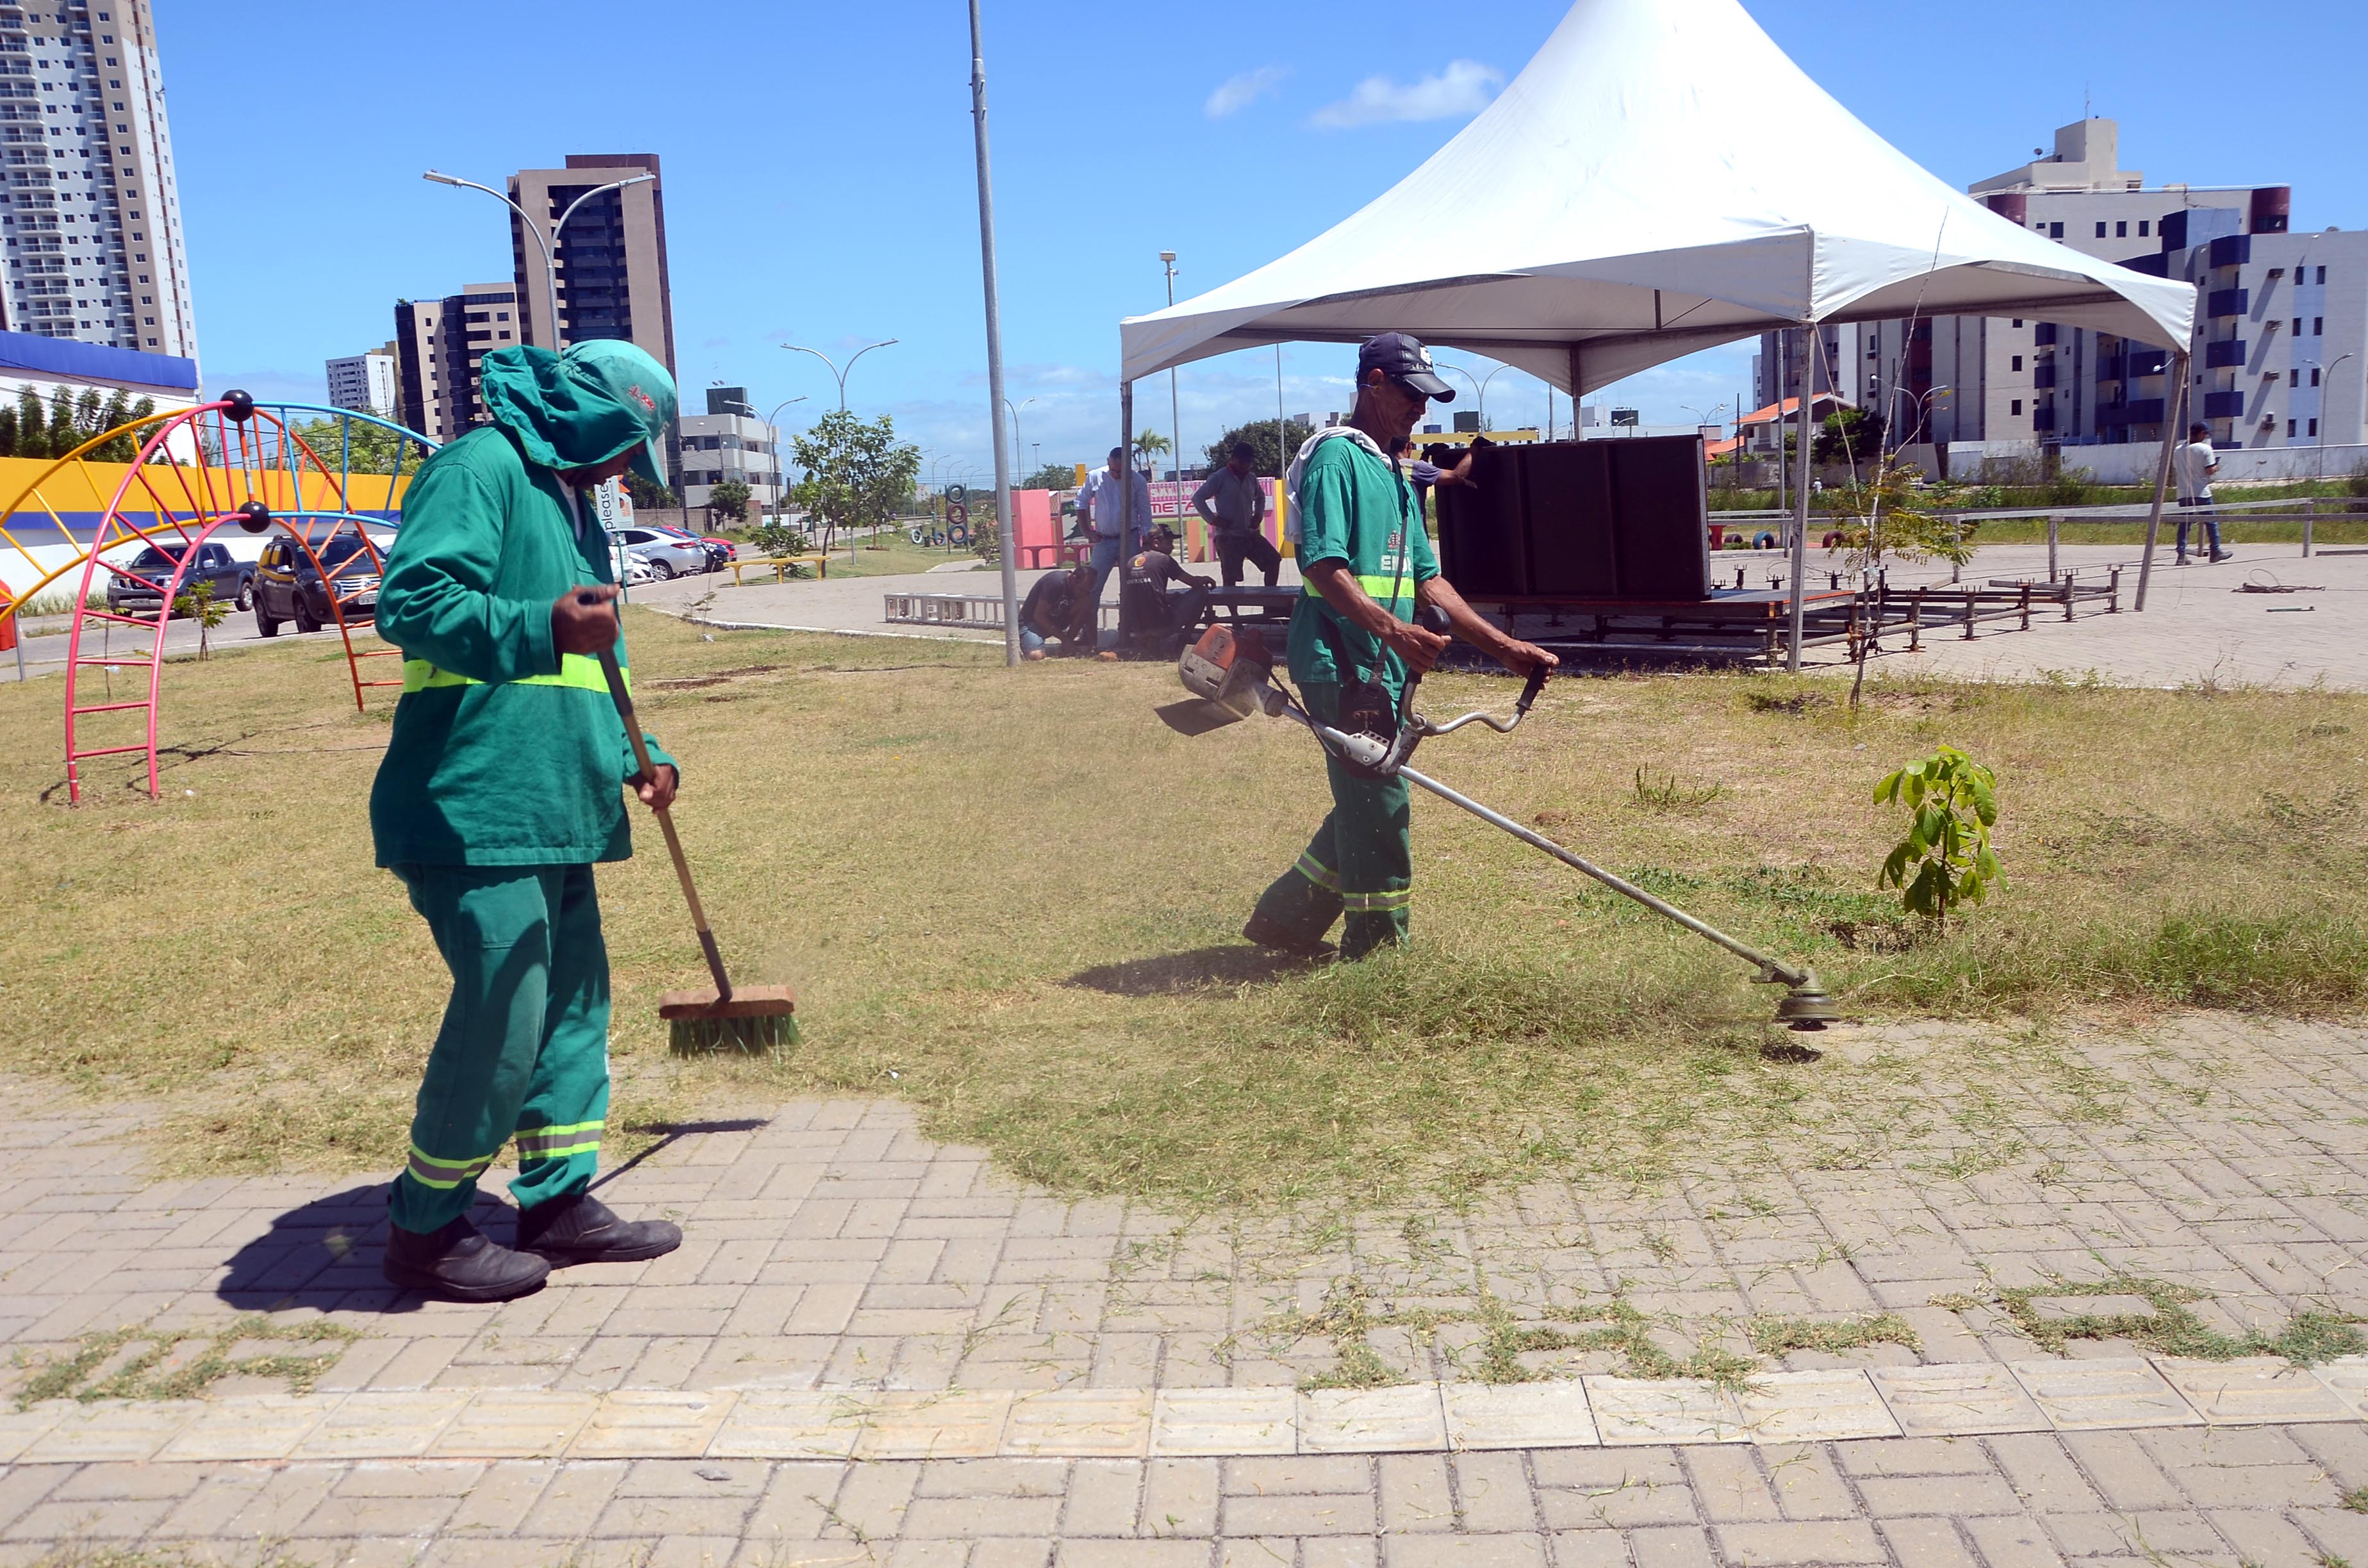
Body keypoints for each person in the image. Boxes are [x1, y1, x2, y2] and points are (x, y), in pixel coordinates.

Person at [368, 339, 687, 1302]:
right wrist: (541, 623)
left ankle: (556, 1203)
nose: (628, 468)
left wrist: (647, 749)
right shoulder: (481, 469)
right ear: (589, 413)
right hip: (477, 802)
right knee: (504, 1015)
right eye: (628, 443)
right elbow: (412, 600)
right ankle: (424, 1229)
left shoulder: (573, 504)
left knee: (573, 1011)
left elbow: (595, 654)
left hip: (563, 800)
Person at [1244, 332, 1558, 961]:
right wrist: (1395, 630)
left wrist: (1504, 648)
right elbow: (1324, 564)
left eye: (1428, 398)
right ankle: (1379, 953)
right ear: (1375, 383)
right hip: (1341, 661)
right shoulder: (1337, 459)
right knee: (1383, 801)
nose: (1421, 409)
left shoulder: (1392, 470)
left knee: (1368, 794)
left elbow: (1428, 579)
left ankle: (1286, 918)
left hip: (1382, 665)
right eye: (1412, 394)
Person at [1192, 441, 1282, 588]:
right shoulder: (1219, 477)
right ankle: (1234, 611)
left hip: (1248, 534)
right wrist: (1213, 519)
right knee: (1230, 577)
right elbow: (1198, 498)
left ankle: (1270, 602)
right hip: (1227, 536)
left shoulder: (1251, 478)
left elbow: (1261, 497)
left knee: (1274, 560)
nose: (1246, 466)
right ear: (1233, 459)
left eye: (1249, 462)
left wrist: (1258, 516)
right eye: (1243, 462)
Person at [1076, 446, 1152, 612]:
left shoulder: (1138, 480)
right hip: (1104, 540)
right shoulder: (1095, 477)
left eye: (1121, 472)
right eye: (1113, 470)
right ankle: (1087, 630)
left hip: (1130, 538)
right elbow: (1080, 502)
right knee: (1092, 584)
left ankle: (1130, 628)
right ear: (1108, 463)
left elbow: (1145, 511)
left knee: (1132, 585)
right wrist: (1087, 531)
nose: (1117, 475)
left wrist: (1146, 537)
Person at [1119, 522, 1215, 653]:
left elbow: (1143, 594)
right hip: (1162, 626)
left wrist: (1170, 598)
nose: (1171, 548)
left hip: (1137, 628)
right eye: (1169, 543)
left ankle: (1149, 641)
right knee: (1202, 592)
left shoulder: (1131, 562)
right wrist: (1205, 579)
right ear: (1156, 543)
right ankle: (1184, 640)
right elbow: (1194, 583)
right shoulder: (1164, 560)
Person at [2176, 421, 2230, 564]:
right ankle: (2215, 551)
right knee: (2211, 522)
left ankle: (2181, 554)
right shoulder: (2205, 449)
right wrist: (2216, 466)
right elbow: (2209, 471)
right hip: (2201, 491)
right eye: (2205, 434)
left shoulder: (2178, 450)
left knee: (2184, 524)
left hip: (2183, 491)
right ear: (2201, 434)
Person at [1019, 560, 1095, 659]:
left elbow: (1082, 612)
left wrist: (1069, 641)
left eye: (1087, 591)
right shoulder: (1055, 582)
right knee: (1036, 656)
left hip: (1056, 623)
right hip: (1033, 624)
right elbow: (1039, 616)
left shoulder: (1082, 594)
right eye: (1081, 590)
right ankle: (1028, 645)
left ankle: (1067, 646)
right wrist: (1064, 639)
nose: (1083, 594)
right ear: (1073, 578)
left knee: (1086, 603)